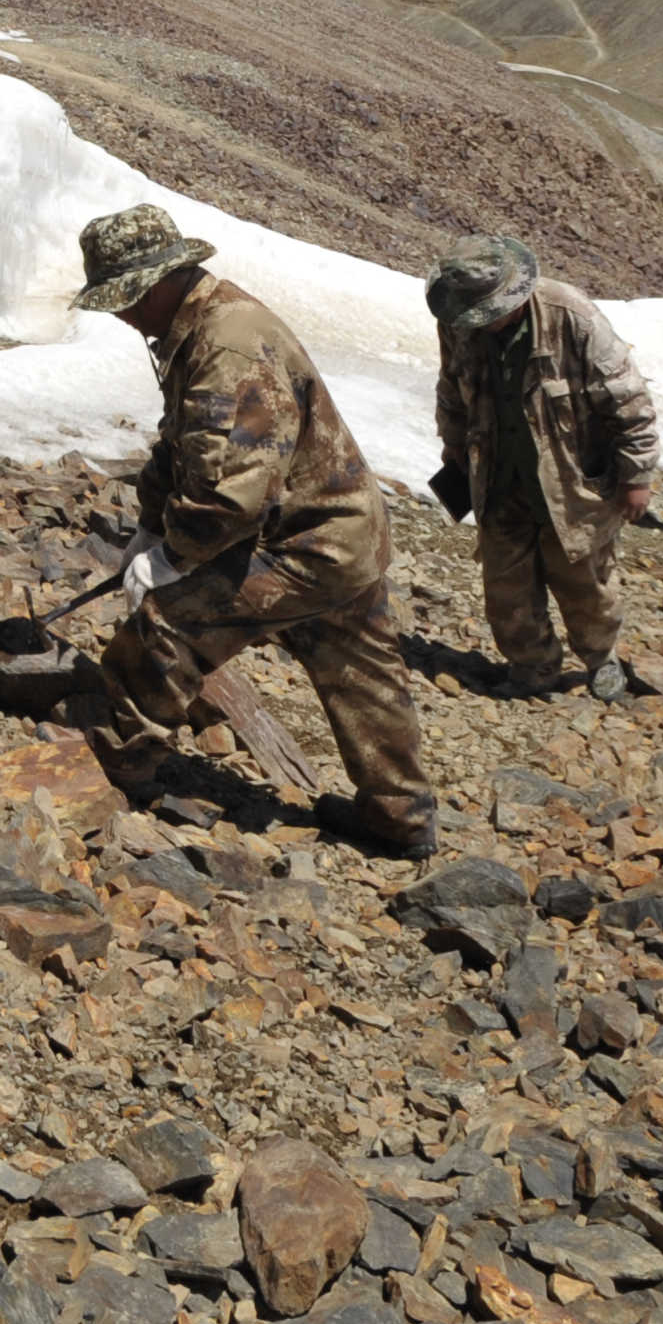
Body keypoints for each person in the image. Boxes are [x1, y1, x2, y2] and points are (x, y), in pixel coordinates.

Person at [61, 204, 436, 855]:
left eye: (123, 301)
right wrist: (150, 525)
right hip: (344, 533)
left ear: (155, 284)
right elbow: (182, 445)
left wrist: (170, 557)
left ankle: (114, 768)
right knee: (362, 676)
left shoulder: (226, 343)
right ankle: (400, 817)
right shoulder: (203, 324)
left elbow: (229, 499)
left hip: (297, 543)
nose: (120, 316)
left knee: (164, 627)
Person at [426, 234, 659, 698]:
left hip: (572, 481)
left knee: (583, 582)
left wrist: (637, 477)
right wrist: (452, 447)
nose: (484, 323)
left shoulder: (572, 317)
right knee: (505, 584)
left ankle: (600, 659)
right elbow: (451, 387)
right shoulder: (458, 319)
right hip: (498, 473)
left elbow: (630, 401)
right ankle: (532, 667)